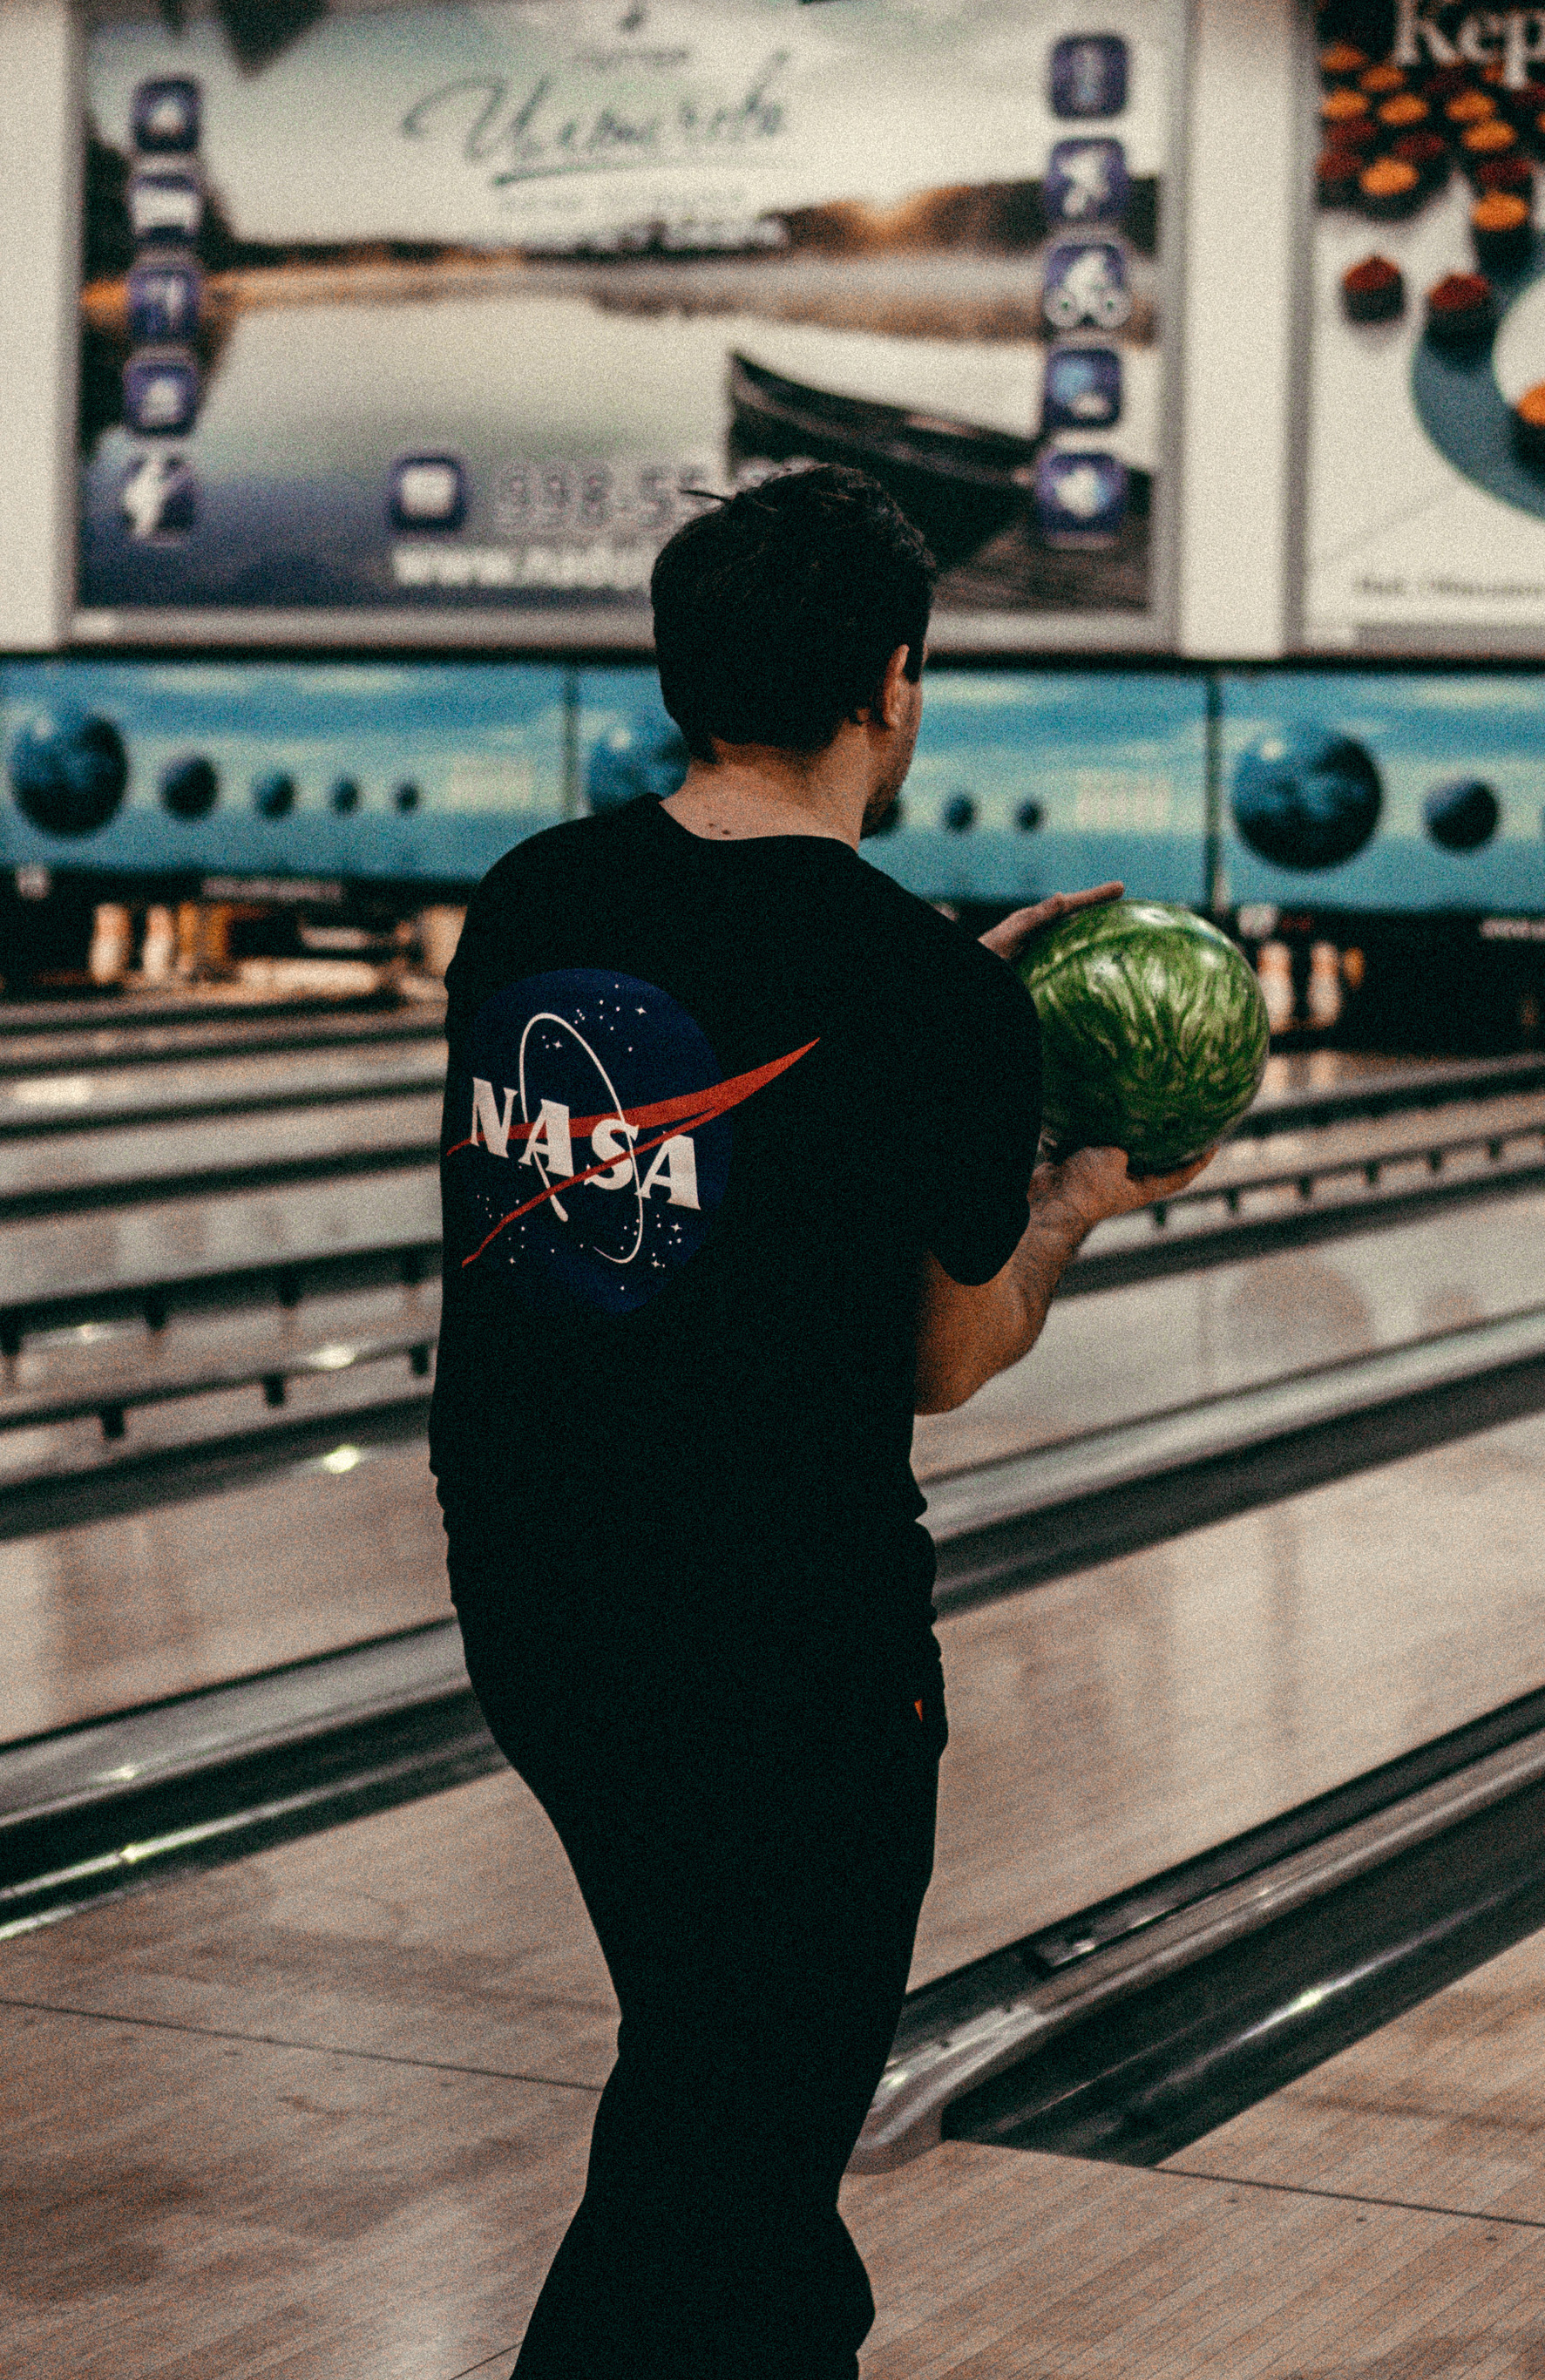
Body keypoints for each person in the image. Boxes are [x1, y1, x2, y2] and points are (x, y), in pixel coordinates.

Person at [430, 464, 1206, 2378]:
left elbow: (732, 1082)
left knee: (719, 2078)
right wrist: (1064, 1202)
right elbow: (948, 1357)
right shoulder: (929, 998)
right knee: (743, 2126)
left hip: (534, 1606)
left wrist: (960, 1008)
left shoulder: (536, 896)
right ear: (893, 682)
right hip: (787, 1654)